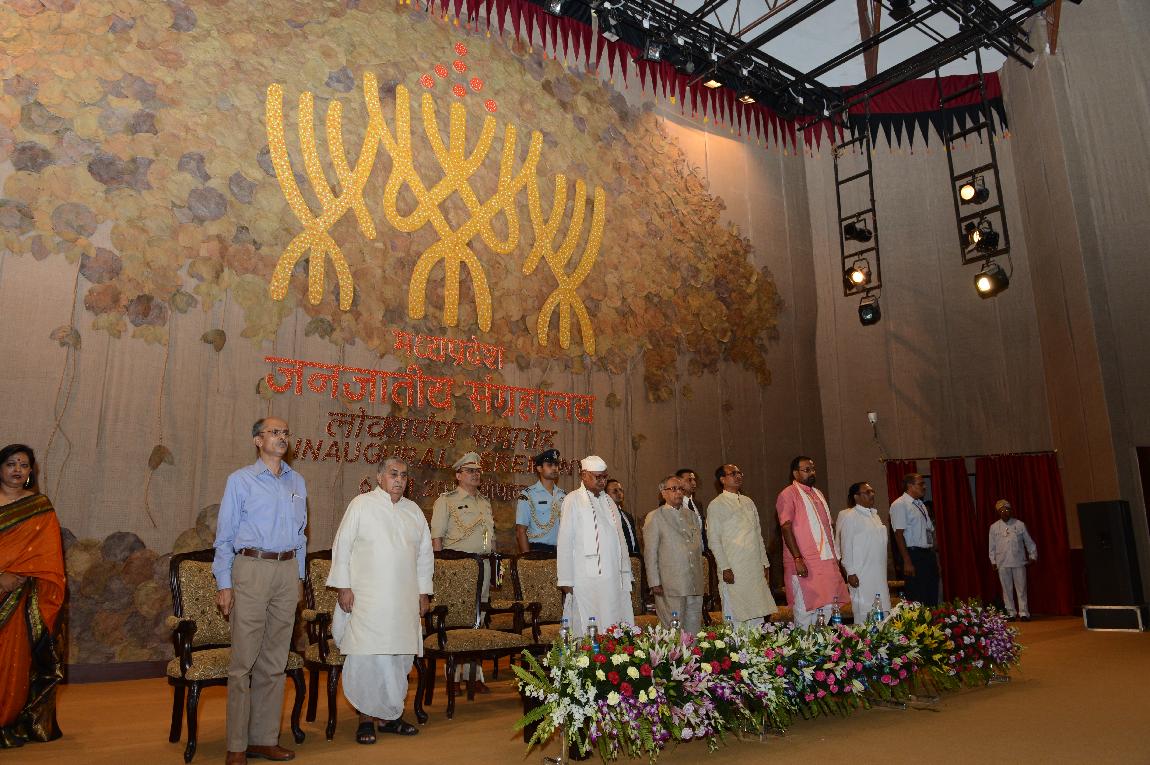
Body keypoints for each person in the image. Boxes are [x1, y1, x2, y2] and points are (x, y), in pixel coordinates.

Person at [213, 418, 308, 764]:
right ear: (257, 440)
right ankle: (237, 745)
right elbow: (224, 537)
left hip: (286, 570)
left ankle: (264, 739)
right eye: (274, 432)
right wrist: (224, 583)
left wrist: (299, 578)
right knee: (243, 663)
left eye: (285, 432)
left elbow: (301, 535)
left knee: (274, 661)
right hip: (251, 568)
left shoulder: (297, 481)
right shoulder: (240, 480)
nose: (282, 437)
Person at [328, 458, 433, 744]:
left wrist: (423, 592)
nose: (399, 480)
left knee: (398, 659)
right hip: (367, 600)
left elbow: (425, 556)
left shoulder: (414, 512)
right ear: (379, 477)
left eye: (404, 475)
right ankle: (365, 720)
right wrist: (343, 587)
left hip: (403, 602)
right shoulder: (361, 505)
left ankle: (390, 717)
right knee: (368, 658)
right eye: (393, 474)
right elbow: (342, 547)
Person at [0, 444, 65, 750]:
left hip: (19, 598)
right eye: (11, 464)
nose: (17, 470)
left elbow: (47, 556)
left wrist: (17, 577)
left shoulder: (39, 506)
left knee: (13, 662)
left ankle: (5, 722)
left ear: (30, 471)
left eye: (23, 465)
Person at [429, 452, 495, 693]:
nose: (475, 474)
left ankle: (473, 675)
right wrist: (440, 569)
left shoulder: (484, 502)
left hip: (483, 566)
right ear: (458, 475)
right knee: (456, 620)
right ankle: (453, 678)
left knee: (478, 619)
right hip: (457, 569)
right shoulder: (446, 501)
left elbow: (487, 537)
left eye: (477, 471)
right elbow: (437, 538)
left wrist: (489, 555)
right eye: (469, 471)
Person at [556, 456, 633, 635]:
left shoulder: (610, 502)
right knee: (588, 622)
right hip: (586, 579)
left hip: (614, 577)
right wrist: (566, 580)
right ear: (584, 475)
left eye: (605, 476)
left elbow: (621, 540)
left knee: (614, 620)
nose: (602, 481)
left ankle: (613, 652)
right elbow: (565, 541)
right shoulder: (572, 500)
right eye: (598, 476)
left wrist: (626, 571)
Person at [777, 456, 849, 627]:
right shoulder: (788, 494)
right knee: (804, 609)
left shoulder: (818, 494)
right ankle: (804, 643)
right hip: (804, 561)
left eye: (813, 469)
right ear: (795, 473)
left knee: (829, 605)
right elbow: (786, 527)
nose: (812, 473)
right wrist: (797, 558)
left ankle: (819, 640)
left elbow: (828, 529)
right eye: (806, 470)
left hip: (826, 562)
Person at [706, 464, 777, 627]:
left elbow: (757, 535)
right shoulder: (716, 505)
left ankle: (755, 643)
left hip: (754, 568)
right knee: (736, 615)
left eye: (739, 473)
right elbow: (714, 540)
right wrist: (725, 567)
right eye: (733, 473)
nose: (738, 476)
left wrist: (764, 563)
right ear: (722, 479)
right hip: (733, 568)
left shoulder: (748, 502)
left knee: (757, 613)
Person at [643, 475, 705, 633]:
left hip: (694, 583)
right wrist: (654, 582)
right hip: (669, 585)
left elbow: (698, 549)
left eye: (681, 489)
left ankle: (693, 651)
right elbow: (650, 552)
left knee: (694, 630)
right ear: (663, 493)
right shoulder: (655, 516)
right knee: (673, 631)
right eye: (673, 489)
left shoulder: (691, 515)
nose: (678, 492)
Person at [835, 482, 890, 623]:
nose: (872, 494)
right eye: (867, 492)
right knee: (864, 613)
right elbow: (845, 546)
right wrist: (850, 572)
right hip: (861, 573)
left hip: (879, 572)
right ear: (856, 497)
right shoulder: (850, 516)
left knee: (883, 610)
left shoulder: (875, 515)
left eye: (872, 491)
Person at [889, 473, 940, 606]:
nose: (924, 487)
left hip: (927, 554)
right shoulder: (899, 504)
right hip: (913, 555)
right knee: (917, 597)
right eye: (921, 484)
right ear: (910, 486)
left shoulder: (920, 504)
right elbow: (898, 534)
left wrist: (933, 551)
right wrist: (907, 561)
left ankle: (932, 620)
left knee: (931, 595)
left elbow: (929, 529)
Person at [989, 499, 1038, 622]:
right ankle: (1010, 612)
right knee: (1006, 589)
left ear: (1010, 511)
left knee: (1021, 588)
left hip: (1018, 561)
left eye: (1007, 509)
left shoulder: (1020, 524)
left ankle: (1024, 613)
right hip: (1002, 562)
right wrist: (993, 561)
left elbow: (1029, 542)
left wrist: (1032, 555)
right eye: (1001, 510)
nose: (1004, 512)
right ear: (998, 513)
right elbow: (992, 546)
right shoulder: (994, 527)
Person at [515, 449, 566, 553]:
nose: (554, 468)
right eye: (549, 465)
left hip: (560, 551)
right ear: (539, 468)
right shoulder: (528, 495)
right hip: (538, 551)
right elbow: (521, 530)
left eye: (556, 465)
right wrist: (527, 558)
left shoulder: (563, 495)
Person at [676, 468, 707, 552]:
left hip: (700, 552)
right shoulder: (674, 504)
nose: (694, 483)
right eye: (689, 480)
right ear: (679, 482)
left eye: (694, 480)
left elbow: (702, 531)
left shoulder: (698, 504)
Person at [605, 479, 639, 555]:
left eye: (620, 490)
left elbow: (634, 539)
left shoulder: (628, 516)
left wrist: (638, 556)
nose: (619, 493)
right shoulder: (606, 516)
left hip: (634, 558)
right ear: (606, 495)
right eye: (615, 491)